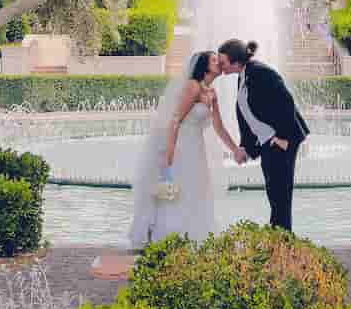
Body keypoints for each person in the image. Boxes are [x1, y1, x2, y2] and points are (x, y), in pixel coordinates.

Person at [128, 50, 242, 247]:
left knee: (196, 190)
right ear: (204, 66)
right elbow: (175, 120)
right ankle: (168, 235)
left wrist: (235, 149)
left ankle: (193, 235)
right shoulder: (193, 87)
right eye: (214, 60)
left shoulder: (211, 93)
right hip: (180, 146)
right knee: (176, 190)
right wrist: (169, 153)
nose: (220, 63)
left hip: (197, 149)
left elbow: (219, 127)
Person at [217, 38, 310, 233]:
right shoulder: (243, 76)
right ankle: (278, 240)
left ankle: (283, 242)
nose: (220, 65)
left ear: (235, 62)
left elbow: (286, 102)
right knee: (274, 193)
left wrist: (283, 137)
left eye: (223, 62)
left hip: (281, 141)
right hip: (268, 142)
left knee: (280, 195)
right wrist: (246, 149)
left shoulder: (260, 72)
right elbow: (248, 118)